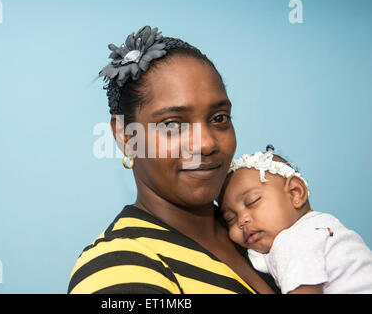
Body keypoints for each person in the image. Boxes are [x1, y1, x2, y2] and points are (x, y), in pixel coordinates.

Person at [68, 25, 278, 294]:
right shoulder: (118, 268)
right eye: (172, 124)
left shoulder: (255, 231)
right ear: (126, 136)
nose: (206, 143)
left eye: (219, 118)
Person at [218, 145, 372, 294]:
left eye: (252, 201)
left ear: (295, 193)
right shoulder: (321, 226)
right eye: (230, 219)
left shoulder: (292, 240)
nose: (242, 220)